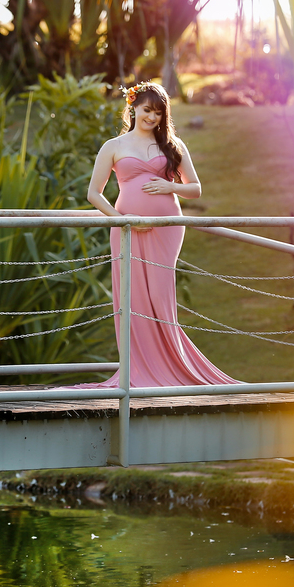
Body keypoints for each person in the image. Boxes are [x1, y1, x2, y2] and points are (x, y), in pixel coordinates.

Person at [84, 81, 238, 387]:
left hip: (167, 228)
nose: (152, 117)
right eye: (146, 110)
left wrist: (170, 186)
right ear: (133, 108)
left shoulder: (173, 145)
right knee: (133, 296)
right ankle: (139, 371)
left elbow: (195, 188)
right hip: (127, 230)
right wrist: (122, 221)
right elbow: (94, 194)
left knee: (158, 294)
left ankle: (170, 367)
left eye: (158, 112)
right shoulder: (113, 147)